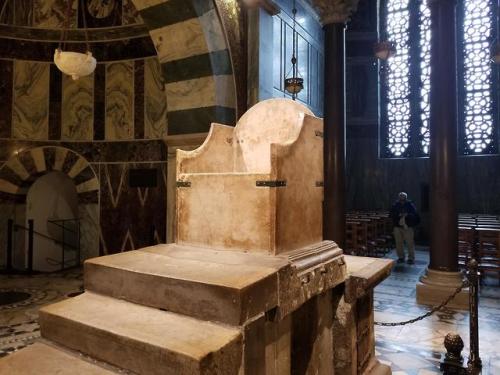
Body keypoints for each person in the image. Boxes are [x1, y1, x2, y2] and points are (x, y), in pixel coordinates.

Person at [389, 192, 419, 264]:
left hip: (407, 226)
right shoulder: (395, 205)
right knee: (398, 243)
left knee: (410, 242)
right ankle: (401, 257)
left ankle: (411, 258)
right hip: (397, 226)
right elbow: (391, 214)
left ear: (406, 197)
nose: (402, 197)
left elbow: (414, 214)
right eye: (401, 196)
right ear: (399, 197)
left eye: (403, 196)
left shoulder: (410, 205)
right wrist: (398, 214)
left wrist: (407, 215)